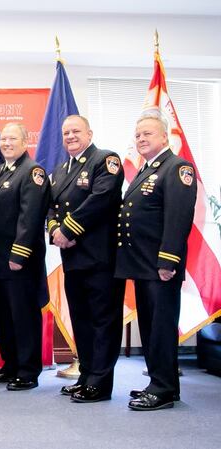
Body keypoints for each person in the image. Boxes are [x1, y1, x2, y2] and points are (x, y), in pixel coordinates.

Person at [116, 112, 197, 411]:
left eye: (148, 134)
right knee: (150, 326)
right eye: (137, 135)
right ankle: (162, 384)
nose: (141, 139)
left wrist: (168, 260)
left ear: (164, 137)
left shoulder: (177, 168)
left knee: (161, 326)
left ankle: (162, 388)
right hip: (142, 264)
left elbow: (178, 218)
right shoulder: (145, 170)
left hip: (160, 265)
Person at [47, 115, 125, 403]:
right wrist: (55, 229)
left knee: (103, 321)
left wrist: (68, 229)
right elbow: (52, 207)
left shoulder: (105, 160)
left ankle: (100, 384)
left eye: (75, 131)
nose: (70, 136)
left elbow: (101, 199)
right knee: (82, 320)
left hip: (100, 258)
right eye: (66, 132)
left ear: (89, 133)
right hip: (73, 258)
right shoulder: (60, 170)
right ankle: (87, 375)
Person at [0, 123, 50, 391]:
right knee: (5, 316)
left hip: (19, 259)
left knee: (23, 315)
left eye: (12, 138)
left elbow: (30, 217)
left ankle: (28, 370)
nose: (6, 143)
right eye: (3, 139)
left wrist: (19, 254)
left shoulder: (32, 172)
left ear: (25, 141)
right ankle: (10, 365)